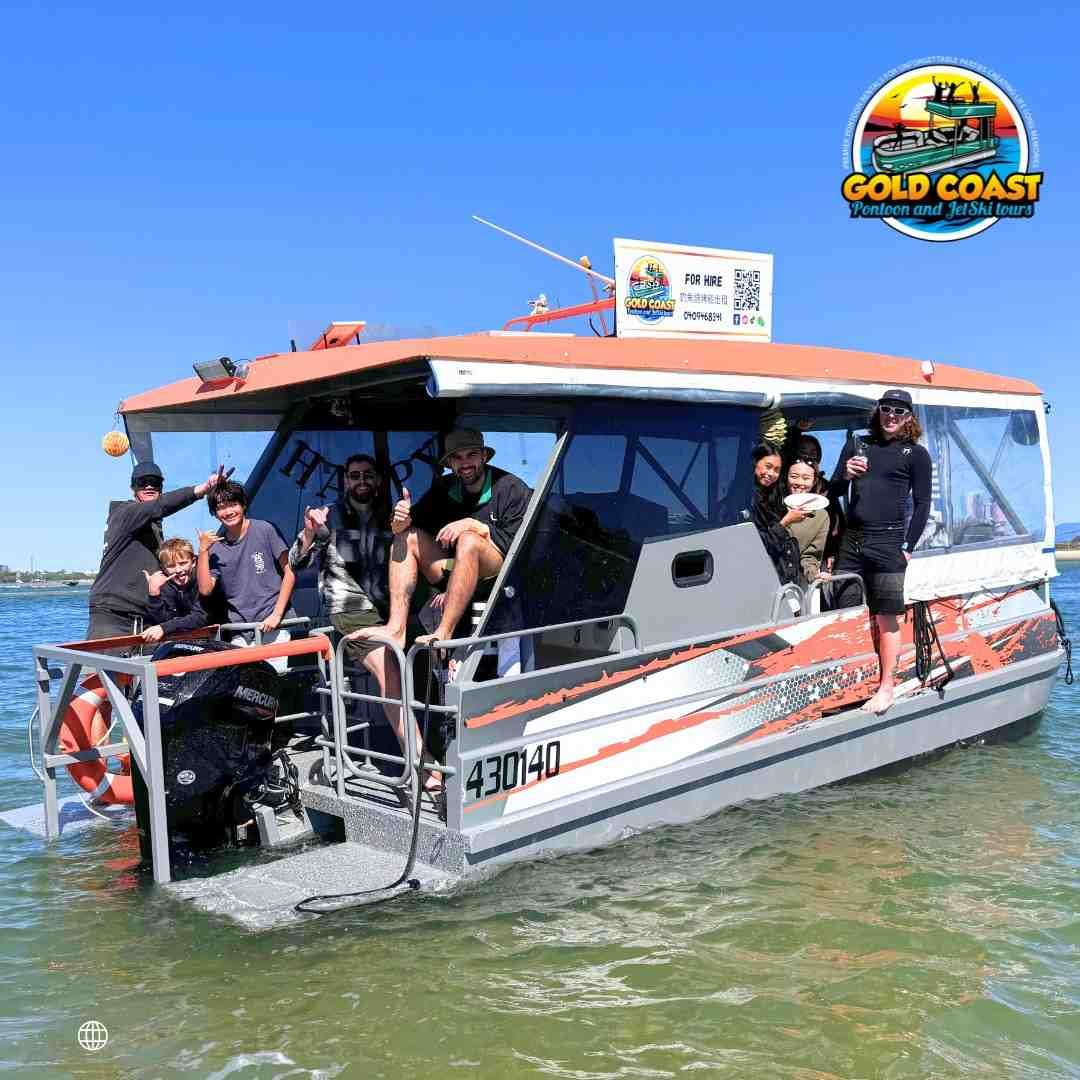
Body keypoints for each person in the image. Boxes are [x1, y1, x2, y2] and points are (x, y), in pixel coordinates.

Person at [288, 454, 418, 778]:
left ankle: (437, 740)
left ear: (378, 480)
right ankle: (421, 762)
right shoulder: (328, 516)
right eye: (355, 475)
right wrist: (309, 533)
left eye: (368, 475)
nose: (361, 481)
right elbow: (296, 563)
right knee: (389, 669)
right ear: (345, 480)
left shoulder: (390, 515)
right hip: (348, 607)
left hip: (389, 608)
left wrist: (405, 525)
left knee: (425, 655)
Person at [351, 428, 532, 651]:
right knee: (407, 537)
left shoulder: (510, 487)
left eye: (471, 455)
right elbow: (410, 521)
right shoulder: (444, 488)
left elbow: (520, 546)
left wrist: (475, 526)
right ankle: (396, 628)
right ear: (450, 463)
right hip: (454, 570)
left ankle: (444, 632)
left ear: (484, 456)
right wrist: (399, 521)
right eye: (457, 457)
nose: (465, 463)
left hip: (499, 574)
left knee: (468, 540)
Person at [828, 389, 932, 714]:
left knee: (886, 617)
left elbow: (922, 504)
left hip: (888, 542)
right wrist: (846, 475)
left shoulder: (916, 454)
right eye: (886, 409)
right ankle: (850, 685)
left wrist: (908, 547)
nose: (891, 416)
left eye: (899, 412)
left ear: (909, 417)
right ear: (878, 411)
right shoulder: (857, 445)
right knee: (846, 613)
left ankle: (887, 688)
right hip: (852, 540)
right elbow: (832, 491)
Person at [86, 461, 223, 646]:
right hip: (113, 616)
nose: (149, 486)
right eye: (142, 482)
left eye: (155, 482)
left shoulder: (153, 527)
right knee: (102, 665)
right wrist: (201, 490)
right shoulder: (124, 513)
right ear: (133, 488)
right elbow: (160, 506)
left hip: (144, 619)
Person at [196, 481, 296, 665]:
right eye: (221, 507)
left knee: (273, 677)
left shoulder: (265, 529)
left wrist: (276, 615)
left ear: (243, 505)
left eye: (233, 504)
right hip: (241, 630)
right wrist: (202, 551)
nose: (228, 512)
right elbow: (205, 589)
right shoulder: (215, 548)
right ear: (215, 513)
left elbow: (290, 571)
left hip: (274, 624)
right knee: (244, 680)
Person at [750, 444, 806, 587]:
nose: (771, 474)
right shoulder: (746, 501)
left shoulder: (774, 497)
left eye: (777, 470)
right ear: (755, 463)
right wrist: (785, 522)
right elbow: (759, 546)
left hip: (784, 576)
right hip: (762, 579)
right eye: (768, 466)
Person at [141, 538, 209, 644]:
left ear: (194, 562)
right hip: (179, 640)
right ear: (163, 568)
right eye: (171, 566)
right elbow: (162, 620)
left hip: (211, 637)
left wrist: (165, 628)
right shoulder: (164, 585)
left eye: (183, 563)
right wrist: (154, 593)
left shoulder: (204, 580)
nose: (178, 570)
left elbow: (200, 617)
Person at [783, 459, 829, 585]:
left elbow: (810, 556)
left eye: (806, 478)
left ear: (814, 481)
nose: (799, 482)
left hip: (792, 582)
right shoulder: (772, 505)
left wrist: (814, 575)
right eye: (794, 476)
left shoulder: (821, 516)